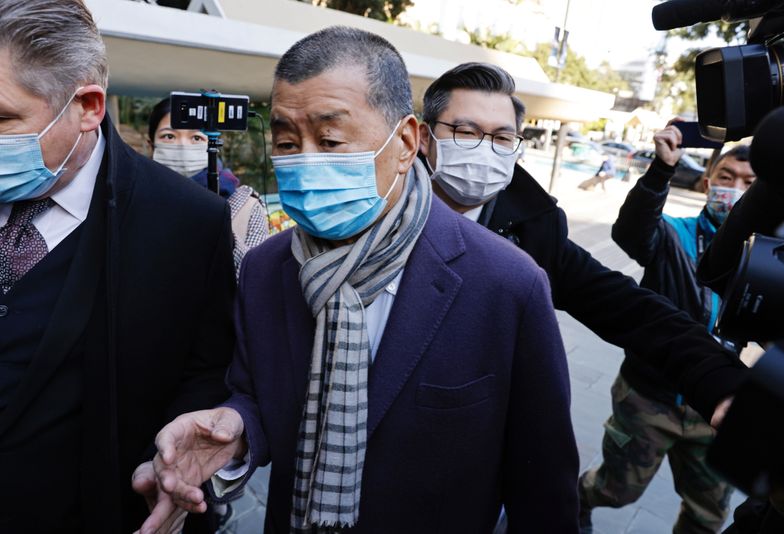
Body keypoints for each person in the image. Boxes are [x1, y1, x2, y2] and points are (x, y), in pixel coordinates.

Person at [137, 26, 579, 534]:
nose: (304, 159)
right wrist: (235, 431)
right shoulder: (266, 270)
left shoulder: (506, 283)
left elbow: (543, 481)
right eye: (285, 140)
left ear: (407, 141)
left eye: (330, 139)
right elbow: (255, 393)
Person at [417, 62, 749, 533]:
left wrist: (718, 376)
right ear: (425, 137)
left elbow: (625, 305)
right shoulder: (375, 212)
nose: (483, 149)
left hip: (472, 447)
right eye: (465, 130)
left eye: (501, 138)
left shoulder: (533, 230)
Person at [0, 1, 235, 532]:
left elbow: (206, 369)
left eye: (3, 119)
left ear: (87, 105)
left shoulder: (186, 220)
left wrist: (177, 461)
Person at [579, 127, 755, 533]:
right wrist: (661, 170)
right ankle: (576, 501)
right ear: (709, 183)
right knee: (616, 490)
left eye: (751, 183)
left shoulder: (766, 256)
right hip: (648, 399)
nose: (737, 189)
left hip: (715, 410)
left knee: (706, 515)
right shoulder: (674, 233)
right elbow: (632, 232)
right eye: (727, 178)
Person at [148, 97, 269, 275]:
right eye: (169, 136)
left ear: (212, 144)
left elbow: (256, 280)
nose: (183, 146)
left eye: (196, 137)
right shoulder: (129, 200)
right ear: (151, 145)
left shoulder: (245, 206)